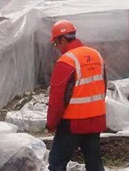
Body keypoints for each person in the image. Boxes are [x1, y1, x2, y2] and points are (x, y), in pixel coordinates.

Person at [45, 20, 106, 171]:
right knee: (94, 163)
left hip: (72, 122)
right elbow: (103, 86)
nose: (57, 47)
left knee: (56, 163)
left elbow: (58, 98)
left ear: (62, 39)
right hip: (96, 119)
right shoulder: (96, 55)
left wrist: (51, 124)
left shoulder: (66, 61)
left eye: (56, 43)